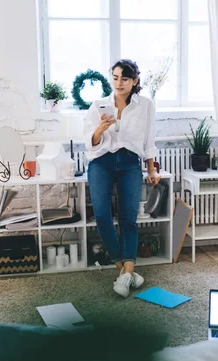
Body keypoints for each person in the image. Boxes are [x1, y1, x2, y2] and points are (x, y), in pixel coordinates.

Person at [84, 59, 160, 298]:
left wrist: (151, 169)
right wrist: (100, 129)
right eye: (115, 77)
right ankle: (125, 272)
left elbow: (149, 140)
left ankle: (127, 272)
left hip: (129, 163)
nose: (119, 83)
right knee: (103, 216)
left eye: (124, 79)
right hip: (101, 162)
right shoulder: (98, 105)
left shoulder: (145, 105)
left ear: (134, 81)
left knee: (128, 219)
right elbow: (90, 142)